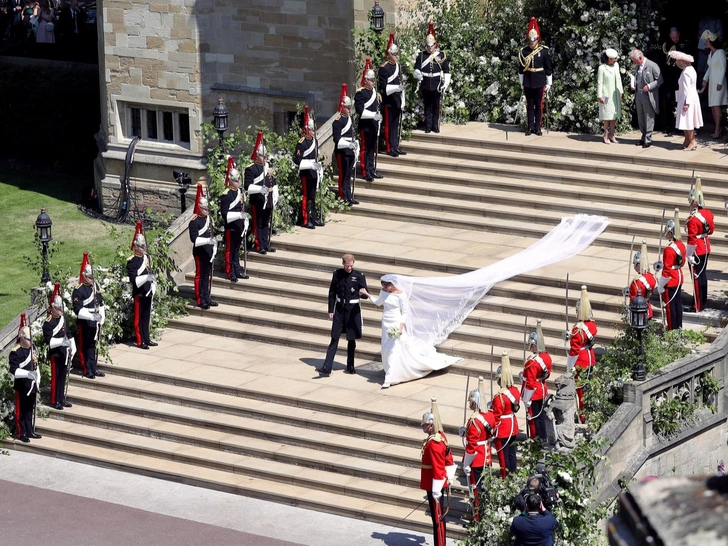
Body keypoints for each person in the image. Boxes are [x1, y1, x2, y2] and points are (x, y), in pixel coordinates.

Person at [360, 278, 462, 387]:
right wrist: (367, 294)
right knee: (386, 347)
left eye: (387, 287)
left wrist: (400, 328)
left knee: (394, 348)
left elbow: (404, 313)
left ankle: (390, 377)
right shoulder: (383, 292)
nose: (385, 289)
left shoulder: (401, 295)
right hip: (385, 322)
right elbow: (378, 302)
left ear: (393, 284)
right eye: (383, 287)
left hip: (396, 323)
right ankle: (391, 369)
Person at [318, 254, 368, 376]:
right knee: (334, 337)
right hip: (340, 309)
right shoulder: (337, 274)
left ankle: (350, 366)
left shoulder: (359, 276)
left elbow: (366, 294)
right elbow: (332, 293)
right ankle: (326, 367)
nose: (349, 268)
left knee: (351, 339)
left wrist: (363, 293)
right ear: (343, 264)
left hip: (353, 310)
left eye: (351, 266)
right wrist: (331, 309)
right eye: (347, 266)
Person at [458, 376, 495, 521]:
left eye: (471, 403)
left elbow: (472, 446)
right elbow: (493, 435)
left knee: (477, 490)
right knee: (487, 488)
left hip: (477, 459)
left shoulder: (473, 421)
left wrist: (466, 463)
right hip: (487, 456)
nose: (470, 405)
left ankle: (478, 518)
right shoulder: (490, 415)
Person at [420, 398, 455, 546]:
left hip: (434, 483)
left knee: (438, 519)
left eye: (426, 425)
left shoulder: (434, 443)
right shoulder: (439, 437)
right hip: (435, 482)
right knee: (437, 518)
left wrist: (436, 490)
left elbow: (438, 467)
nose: (423, 427)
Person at [72, 252, 105, 379]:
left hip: (95, 320)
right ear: (84, 276)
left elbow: (100, 302)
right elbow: (78, 309)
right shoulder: (78, 289)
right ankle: (87, 369)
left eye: (92, 277)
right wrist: (91, 317)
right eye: (89, 277)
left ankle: (94, 367)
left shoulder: (95, 286)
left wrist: (101, 316)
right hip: (85, 321)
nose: (91, 279)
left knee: (92, 345)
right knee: (84, 345)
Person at [566, 285, 597, 423]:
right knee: (589, 388)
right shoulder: (591, 325)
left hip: (581, 361)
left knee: (581, 391)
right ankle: (591, 414)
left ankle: (583, 417)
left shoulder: (576, 330)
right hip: (590, 358)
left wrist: (570, 367)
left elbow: (574, 350)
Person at [9, 314, 42, 443]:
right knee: (21, 411)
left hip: (32, 384)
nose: (31, 341)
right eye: (29, 339)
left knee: (29, 409)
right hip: (22, 385)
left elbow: (35, 365)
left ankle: (29, 430)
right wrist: (27, 374)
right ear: (22, 339)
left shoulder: (32, 348)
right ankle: (21, 432)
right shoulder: (15, 352)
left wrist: (36, 379)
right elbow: (14, 370)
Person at [244, 131, 279, 254]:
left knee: (266, 222)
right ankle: (259, 245)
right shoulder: (251, 168)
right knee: (258, 223)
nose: (265, 158)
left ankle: (266, 243)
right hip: (258, 199)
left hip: (268, 198)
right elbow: (247, 186)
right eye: (263, 156)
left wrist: (275, 193)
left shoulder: (268, 166)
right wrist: (260, 189)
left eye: (266, 156)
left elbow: (273, 181)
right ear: (257, 155)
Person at [413, 22, 450, 134]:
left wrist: (445, 84)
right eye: (428, 46)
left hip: (436, 84)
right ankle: (428, 126)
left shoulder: (441, 55)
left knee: (436, 106)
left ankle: (435, 125)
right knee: (427, 106)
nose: (430, 48)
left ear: (435, 45)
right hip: (425, 84)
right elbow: (416, 68)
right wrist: (417, 73)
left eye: (432, 45)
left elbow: (446, 70)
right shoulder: (421, 56)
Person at [43, 283, 75, 410]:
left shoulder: (63, 318)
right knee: (56, 378)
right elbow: (49, 341)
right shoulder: (49, 323)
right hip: (56, 353)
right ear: (53, 308)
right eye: (58, 308)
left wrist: (72, 345)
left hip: (64, 352)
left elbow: (68, 332)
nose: (60, 310)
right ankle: (55, 400)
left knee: (63, 376)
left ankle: (62, 399)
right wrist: (62, 342)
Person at [518, 17, 552, 136]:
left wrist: (549, 83)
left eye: (534, 39)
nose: (532, 41)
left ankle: (537, 127)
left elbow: (548, 68)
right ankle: (530, 127)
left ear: (538, 39)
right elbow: (521, 69)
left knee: (538, 105)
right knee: (529, 105)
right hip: (528, 81)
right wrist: (521, 83)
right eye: (530, 39)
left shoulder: (544, 51)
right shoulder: (524, 52)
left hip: (539, 81)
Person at [127, 222, 158, 348]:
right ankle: (140, 341)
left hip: (147, 291)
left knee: (146, 317)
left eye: (144, 246)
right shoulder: (132, 261)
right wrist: (146, 278)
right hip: (139, 292)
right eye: (141, 246)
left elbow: (150, 273)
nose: (143, 248)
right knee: (139, 318)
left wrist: (152, 285)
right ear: (136, 247)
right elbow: (134, 279)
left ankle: (147, 338)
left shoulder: (147, 258)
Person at [686, 177, 714, 312]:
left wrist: (689, 254)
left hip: (696, 249)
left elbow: (691, 238)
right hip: (706, 246)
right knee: (703, 276)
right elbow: (711, 230)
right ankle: (703, 302)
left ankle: (697, 305)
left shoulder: (692, 218)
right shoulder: (708, 214)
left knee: (697, 278)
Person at [188, 184, 218, 309]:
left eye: (207, 208)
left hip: (208, 251)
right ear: (199, 208)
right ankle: (200, 299)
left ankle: (207, 297)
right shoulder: (194, 221)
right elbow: (194, 239)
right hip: (200, 251)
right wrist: (208, 241)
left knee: (207, 275)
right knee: (200, 275)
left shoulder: (208, 219)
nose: (206, 210)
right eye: (204, 208)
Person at [294, 106, 324, 229]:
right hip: (306, 172)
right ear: (307, 130)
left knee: (313, 196)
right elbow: (297, 160)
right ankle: (306, 220)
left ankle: (313, 217)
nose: (313, 132)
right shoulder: (302, 143)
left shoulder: (315, 141)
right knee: (306, 196)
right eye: (311, 130)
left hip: (314, 172)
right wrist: (310, 165)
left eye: (314, 130)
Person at [656, 208, 686, 331]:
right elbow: (680, 262)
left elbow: (667, 270)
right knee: (677, 304)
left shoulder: (669, 249)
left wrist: (661, 286)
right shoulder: (680, 245)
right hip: (678, 275)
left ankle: (672, 329)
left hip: (671, 279)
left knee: (670, 306)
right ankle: (679, 326)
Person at [522, 320, 552, 441]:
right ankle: (544, 437)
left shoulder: (532, 362)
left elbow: (530, 382)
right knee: (542, 417)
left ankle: (537, 440)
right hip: (542, 388)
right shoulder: (546, 356)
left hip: (533, 393)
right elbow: (547, 373)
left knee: (534, 418)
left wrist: (526, 398)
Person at [492, 351, 520, 478]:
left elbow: (496, 416)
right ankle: (513, 474)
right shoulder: (514, 391)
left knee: (503, 457)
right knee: (511, 454)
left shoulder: (499, 397)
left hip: (503, 429)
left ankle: (505, 478)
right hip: (513, 426)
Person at [354, 58, 383, 183]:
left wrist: (378, 117)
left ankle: (372, 169)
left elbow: (378, 107)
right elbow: (360, 111)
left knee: (372, 148)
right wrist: (373, 116)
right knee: (365, 149)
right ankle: (366, 171)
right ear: (366, 81)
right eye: (371, 80)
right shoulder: (361, 93)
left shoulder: (375, 92)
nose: (373, 82)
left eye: (374, 80)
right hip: (365, 125)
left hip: (374, 125)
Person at [220, 156, 248, 281]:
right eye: (235, 180)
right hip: (231, 227)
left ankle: (237, 270)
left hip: (239, 226)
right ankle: (230, 271)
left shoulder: (240, 192)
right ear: (230, 180)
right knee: (230, 251)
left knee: (237, 249)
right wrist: (238, 216)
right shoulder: (226, 194)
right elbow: (225, 214)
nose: (237, 182)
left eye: (238, 180)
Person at [379, 33, 407, 157]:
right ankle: (389, 147)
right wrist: (396, 88)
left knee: (396, 124)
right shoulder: (384, 68)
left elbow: (400, 82)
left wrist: (402, 99)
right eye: (394, 54)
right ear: (389, 55)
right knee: (389, 126)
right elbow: (384, 88)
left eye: (397, 54)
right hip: (389, 101)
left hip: (397, 100)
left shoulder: (398, 67)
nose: (396, 56)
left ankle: (396, 146)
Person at [629, 49, 663, 148]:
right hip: (638, 94)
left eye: (635, 61)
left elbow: (660, 80)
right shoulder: (637, 66)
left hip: (648, 94)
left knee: (649, 116)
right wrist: (633, 84)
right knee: (640, 116)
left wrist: (649, 86)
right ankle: (643, 136)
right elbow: (635, 76)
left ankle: (648, 138)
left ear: (640, 57)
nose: (634, 63)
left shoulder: (652, 65)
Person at [660, 28, 690, 136]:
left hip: (679, 77)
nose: (675, 39)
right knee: (668, 101)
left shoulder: (684, 44)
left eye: (676, 37)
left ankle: (680, 127)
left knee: (679, 101)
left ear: (679, 34)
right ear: (669, 36)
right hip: (669, 78)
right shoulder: (666, 45)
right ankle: (668, 126)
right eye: (673, 37)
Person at [332, 84, 358, 206]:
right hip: (342, 151)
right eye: (347, 107)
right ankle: (344, 196)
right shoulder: (338, 121)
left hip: (350, 150)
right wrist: (348, 145)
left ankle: (349, 195)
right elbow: (337, 139)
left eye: (350, 107)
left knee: (348, 175)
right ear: (342, 108)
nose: (349, 109)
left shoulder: (350, 119)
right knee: (343, 175)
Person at [671, 50, 703, 151]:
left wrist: (686, 103)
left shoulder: (686, 73)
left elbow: (686, 89)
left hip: (687, 98)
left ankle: (692, 141)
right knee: (685, 120)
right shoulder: (690, 69)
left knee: (688, 120)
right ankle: (686, 140)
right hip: (690, 97)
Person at [698, 31, 727, 139]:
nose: (706, 42)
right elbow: (710, 68)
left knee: (716, 106)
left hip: (719, 83)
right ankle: (718, 128)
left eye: (707, 41)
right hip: (712, 83)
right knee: (712, 107)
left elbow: (723, 68)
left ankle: (717, 130)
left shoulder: (720, 52)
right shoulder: (711, 53)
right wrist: (705, 79)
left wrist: (720, 82)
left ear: (711, 41)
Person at [625, 240, 657, 319]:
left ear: (639, 264)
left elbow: (633, 299)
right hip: (648, 310)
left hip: (638, 312)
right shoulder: (651, 277)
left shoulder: (636, 282)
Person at [597, 48, 623, 144]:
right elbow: (600, 82)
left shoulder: (616, 66)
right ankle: (606, 135)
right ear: (608, 58)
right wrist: (599, 95)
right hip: (606, 94)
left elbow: (619, 79)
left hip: (614, 94)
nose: (615, 60)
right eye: (613, 59)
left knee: (613, 115)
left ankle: (612, 134)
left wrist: (621, 91)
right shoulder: (602, 68)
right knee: (606, 115)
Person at [696, 14, 723, 86]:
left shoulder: (717, 21)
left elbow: (719, 37)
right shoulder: (702, 22)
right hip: (703, 53)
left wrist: (712, 46)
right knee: (701, 74)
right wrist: (704, 48)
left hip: (714, 50)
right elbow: (699, 37)